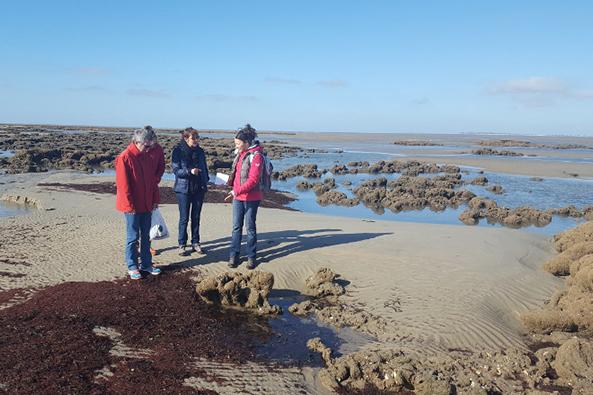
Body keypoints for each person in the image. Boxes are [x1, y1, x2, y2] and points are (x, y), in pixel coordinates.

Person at [115, 125, 165, 280]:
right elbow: (123, 186)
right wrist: (130, 207)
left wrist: (155, 200)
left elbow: (152, 182)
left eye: (149, 145)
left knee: (146, 236)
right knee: (132, 237)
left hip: (147, 204)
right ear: (136, 142)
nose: (148, 148)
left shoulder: (146, 156)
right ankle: (132, 266)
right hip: (132, 207)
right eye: (145, 145)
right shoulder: (125, 157)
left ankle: (146, 264)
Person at [225, 124, 264, 269]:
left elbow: (253, 180)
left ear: (246, 143)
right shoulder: (240, 154)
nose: (236, 145)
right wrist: (231, 187)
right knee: (236, 227)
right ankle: (233, 256)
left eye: (238, 143)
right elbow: (236, 175)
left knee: (250, 228)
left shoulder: (256, 155)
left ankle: (251, 257)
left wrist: (236, 191)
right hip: (238, 197)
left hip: (252, 198)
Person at [172, 127, 209, 256]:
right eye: (193, 138)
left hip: (198, 188)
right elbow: (176, 171)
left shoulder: (200, 151)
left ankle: (196, 242)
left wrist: (206, 181)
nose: (196, 140)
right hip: (183, 189)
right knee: (184, 218)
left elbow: (204, 168)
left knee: (196, 217)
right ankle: (182, 244)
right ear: (186, 138)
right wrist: (190, 171)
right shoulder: (178, 151)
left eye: (197, 137)